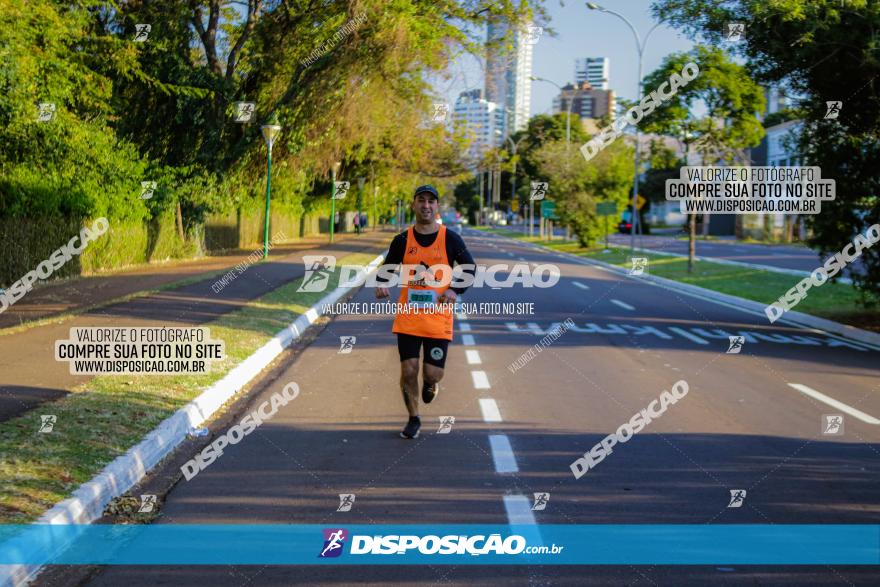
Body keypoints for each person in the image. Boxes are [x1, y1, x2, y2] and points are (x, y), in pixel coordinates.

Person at [375, 185, 475, 439]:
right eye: (421, 200)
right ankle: (413, 418)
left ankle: (430, 384)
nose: (426, 205)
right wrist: (382, 284)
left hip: (438, 319)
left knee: (432, 372)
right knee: (408, 369)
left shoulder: (450, 239)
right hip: (409, 318)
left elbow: (470, 268)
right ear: (414, 205)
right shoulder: (401, 240)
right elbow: (386, 269)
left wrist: (454, 290)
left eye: (431, 201)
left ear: (437, 206)